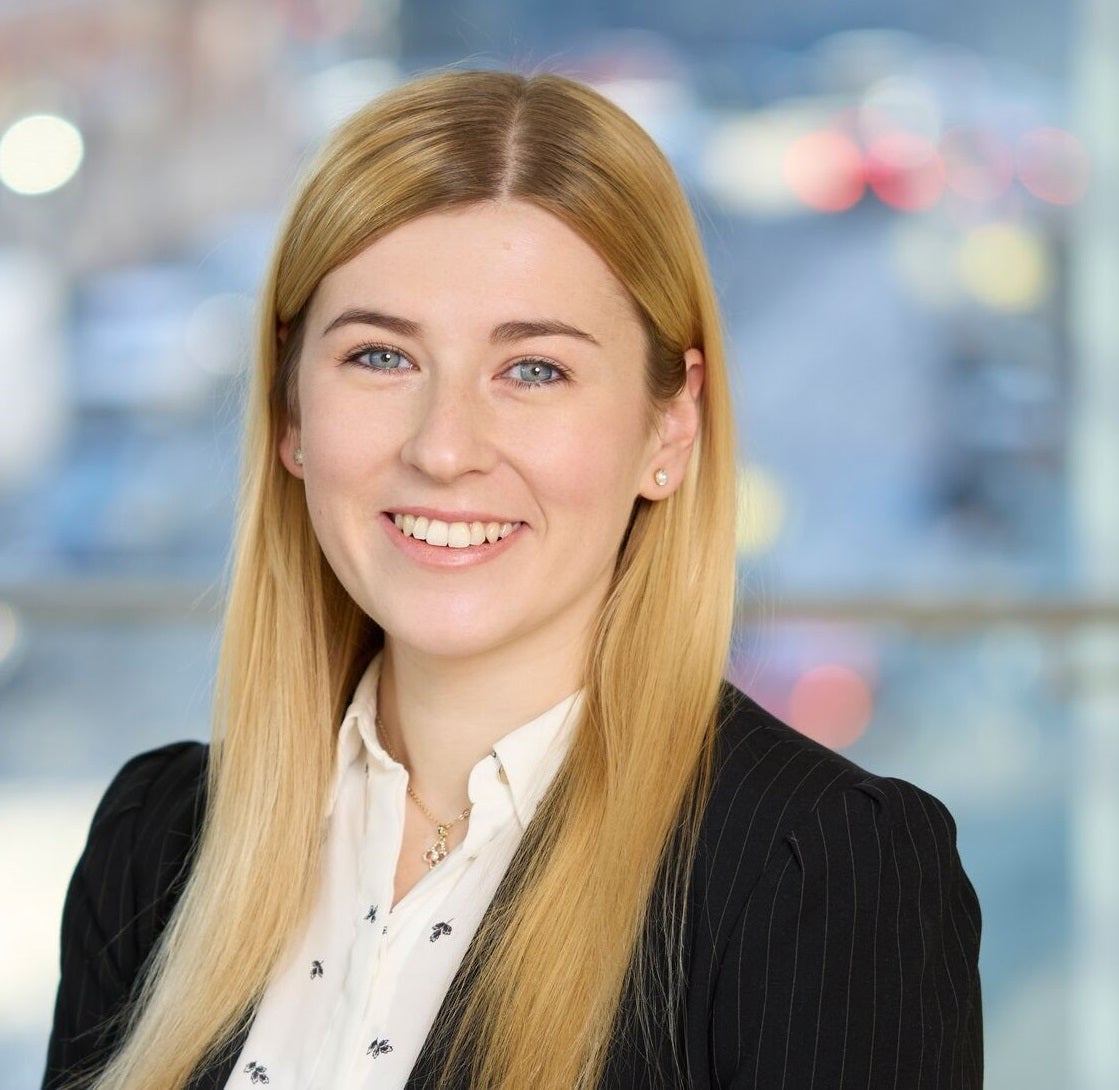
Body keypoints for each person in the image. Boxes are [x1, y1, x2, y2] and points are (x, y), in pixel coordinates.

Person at [42, 69, 982, 1090]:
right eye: (380, 357)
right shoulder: (156, 843)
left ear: (670, 427)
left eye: (534, 369)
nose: (444, 449)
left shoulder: (822, 871)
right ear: (290, 411)